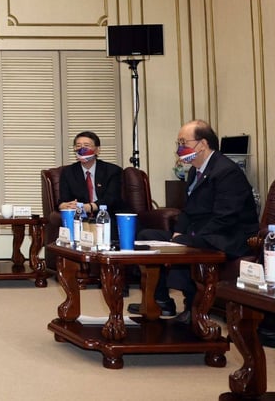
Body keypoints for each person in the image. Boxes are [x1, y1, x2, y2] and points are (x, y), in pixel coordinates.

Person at [129, 120, 258, 323]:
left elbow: (226, 217)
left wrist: (188, 237)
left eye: (183, 142)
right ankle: (160, 300)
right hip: (202, 232)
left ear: (203, 144)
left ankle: (192, 308)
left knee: (182, 245)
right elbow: (188, 211)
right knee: (146, 237)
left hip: (228, 236)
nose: (180, 149)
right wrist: (177, 232)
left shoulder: (227, 172)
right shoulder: (194, 171)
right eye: (178, 143)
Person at [57, 131, 124, 216]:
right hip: (79, 216)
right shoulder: (68, 172)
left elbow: (111, 198)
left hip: (108, 215)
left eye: (86, 146)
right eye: (78, 146)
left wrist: (89, 207)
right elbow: (64, 200)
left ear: (97, 150)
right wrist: (65, 205)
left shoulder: (112, 170)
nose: (82, 149)